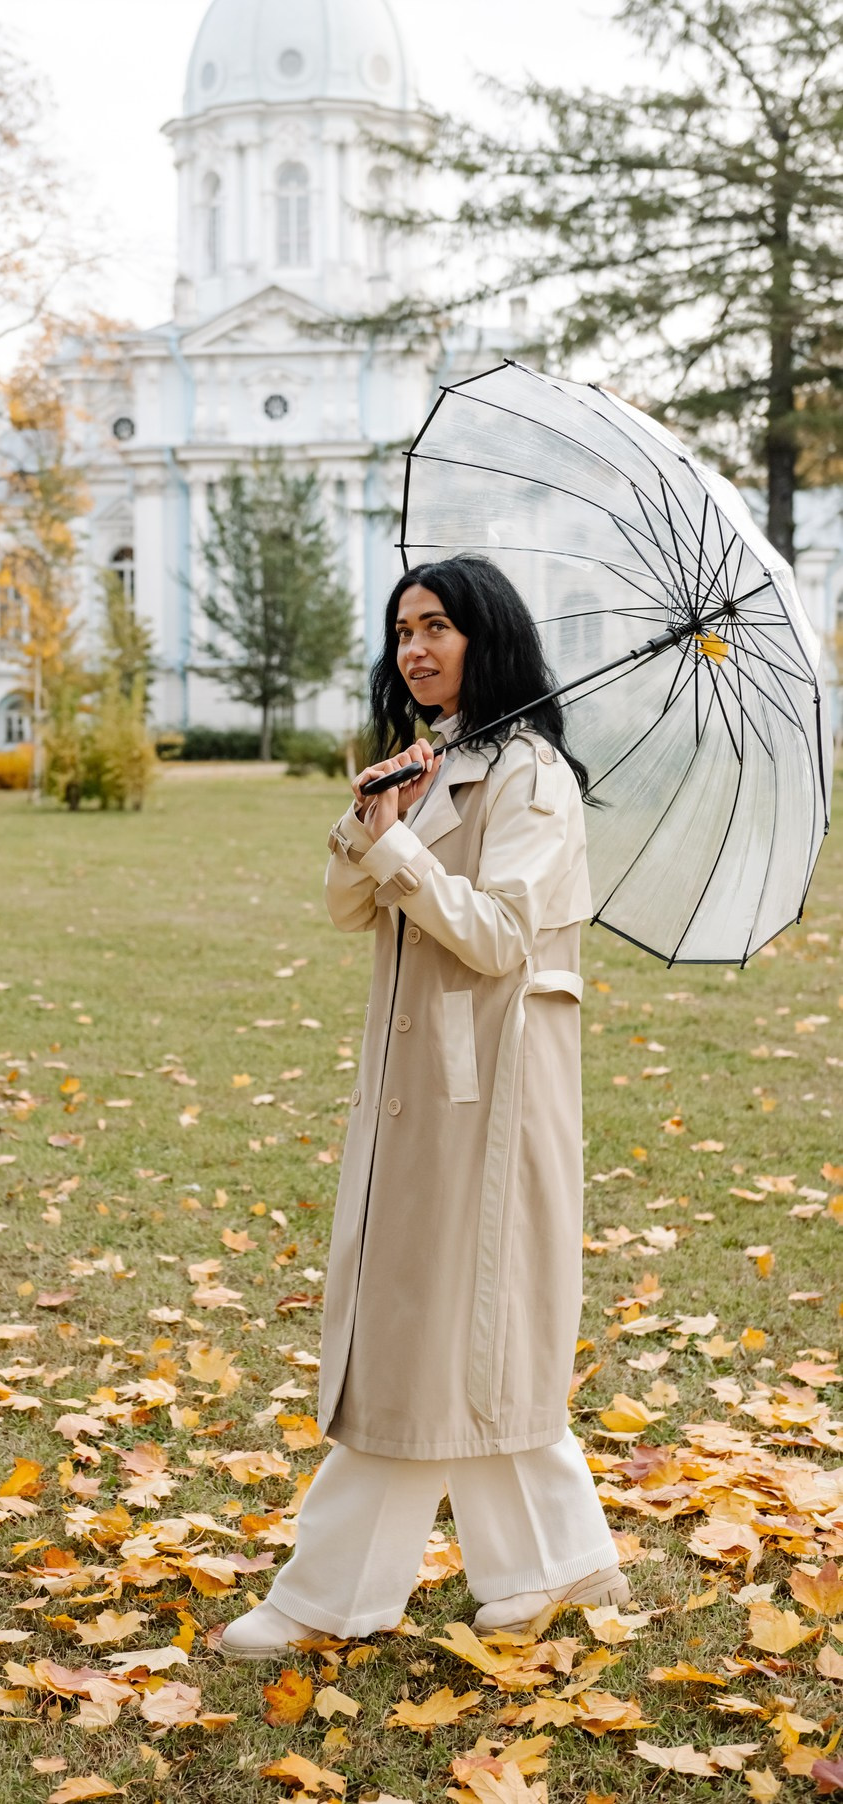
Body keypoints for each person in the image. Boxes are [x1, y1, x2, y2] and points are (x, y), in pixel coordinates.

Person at [221, 555, 628, 1660]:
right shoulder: (434, 757)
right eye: (402, 628)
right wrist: (373, 817)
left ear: (485, 637)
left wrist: (400, 842)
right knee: (460, 1326)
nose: (414, 648)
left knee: (430, 1324)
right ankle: (555, 1562)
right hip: (416, 1087)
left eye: (437, 626)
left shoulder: (532, 776)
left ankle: (329, 1594)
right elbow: (349, 908)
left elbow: (499, 936)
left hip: (489, 1089)